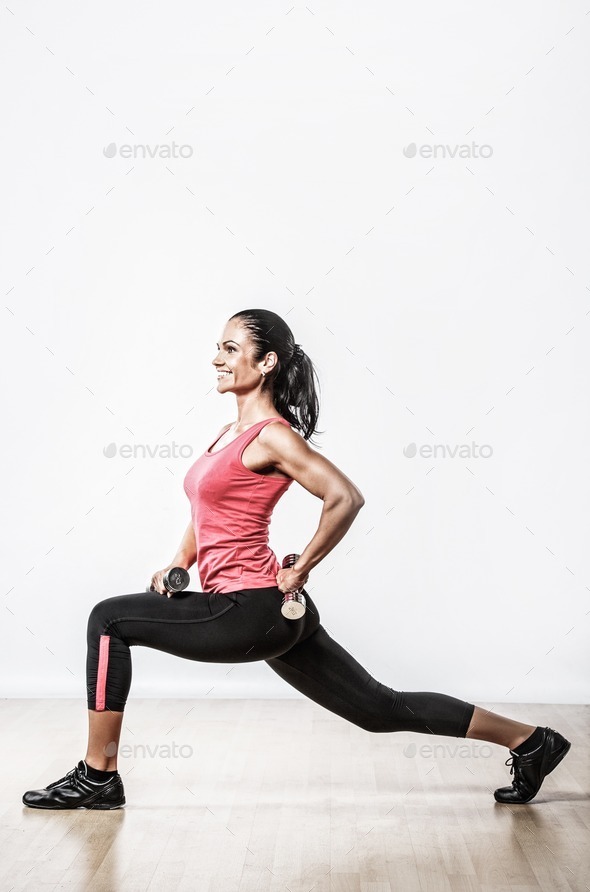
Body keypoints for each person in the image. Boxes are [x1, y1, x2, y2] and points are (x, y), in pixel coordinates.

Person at [22, 309, 571, 810]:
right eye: (218, 346)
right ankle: (531, 740)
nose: (217, 357)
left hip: (250, 609)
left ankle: (99, 776)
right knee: (379, 710)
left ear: (267, 363)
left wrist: (302, 565)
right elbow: (207, 508)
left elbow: (345, 497)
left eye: (232, 348)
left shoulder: (273, 438)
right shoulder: (228, 433)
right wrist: (179, 561)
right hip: (266, 609)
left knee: (108, 620)